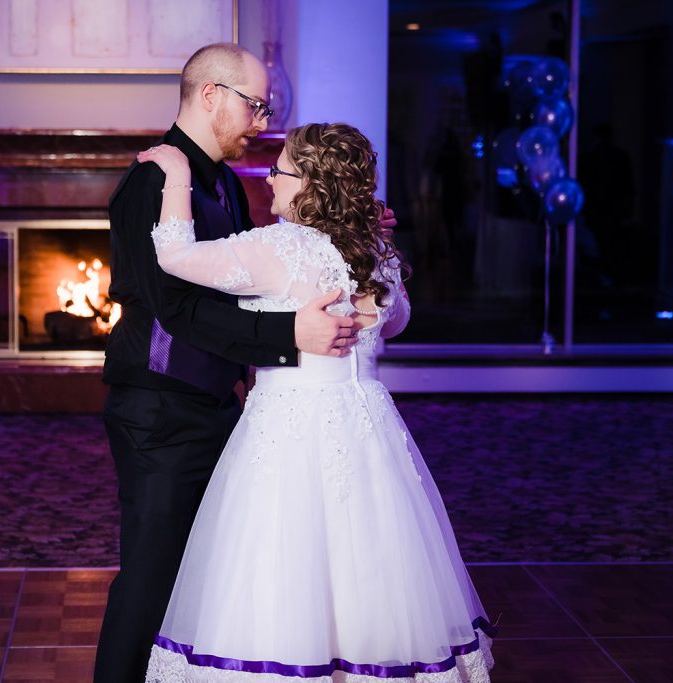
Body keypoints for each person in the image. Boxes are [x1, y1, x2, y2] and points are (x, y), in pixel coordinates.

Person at [138, 123, 494, 682]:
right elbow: (395, 322)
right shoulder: (375, 251)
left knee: (282, 563)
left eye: (278, 169)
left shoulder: (278, 246)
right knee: (370, 564)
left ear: (310, 186)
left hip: (289, 427)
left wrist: (177, 175)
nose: (268, 179)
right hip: (368, 426)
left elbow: (175, 256)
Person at [95, 43, 397, 683]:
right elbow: (174, 307)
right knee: (151, 581)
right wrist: (292, 337)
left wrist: (353, 231)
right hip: (158, 408)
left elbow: (271, 270)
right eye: (253, 105)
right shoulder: (153, 179)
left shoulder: (228, 182)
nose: (261, 120)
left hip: (220, 408)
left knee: (210, 579)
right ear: (210, 94)